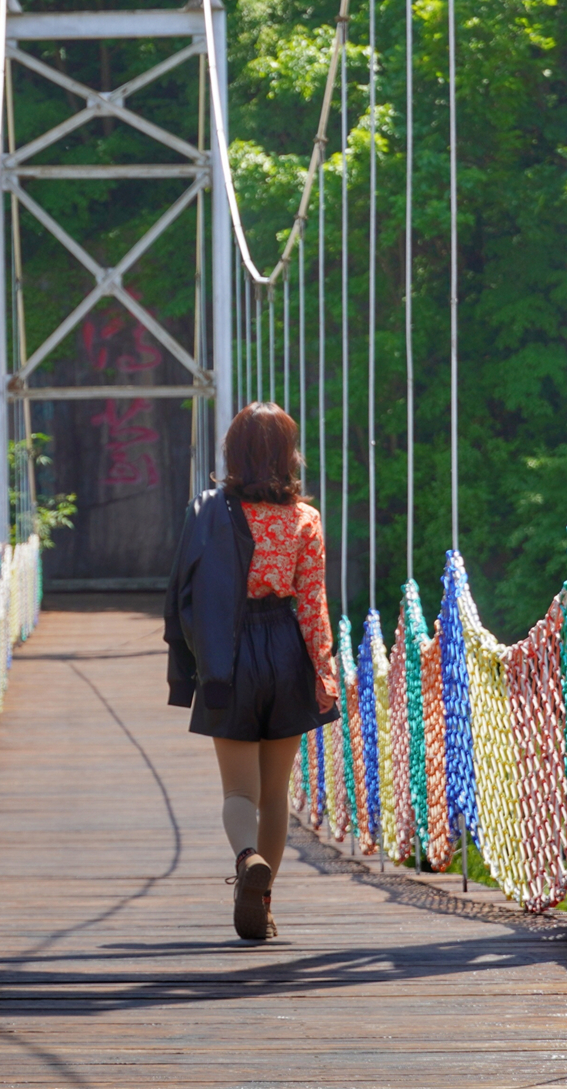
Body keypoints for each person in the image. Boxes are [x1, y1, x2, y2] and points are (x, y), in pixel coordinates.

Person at [164, 402, 338, 941]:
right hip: (286, 648)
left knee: (238, 792)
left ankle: (246, 859)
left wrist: (189, 663)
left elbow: (184, 593)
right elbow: (312, 604)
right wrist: (324, 675)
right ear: (289, 455)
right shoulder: (303, 520)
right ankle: (261, 905)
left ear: (232, 453)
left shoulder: (210, 511)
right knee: (275, 794)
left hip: (229, 654)